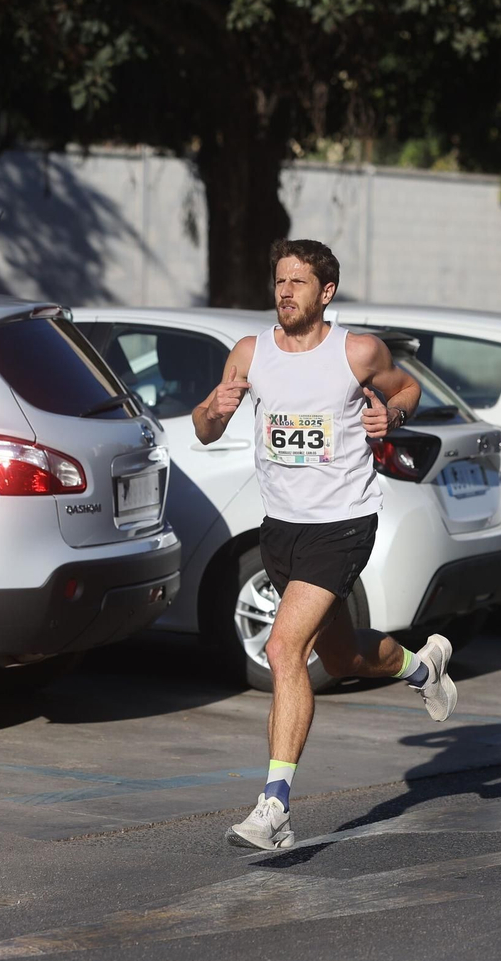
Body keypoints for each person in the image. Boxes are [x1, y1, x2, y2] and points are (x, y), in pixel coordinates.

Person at [192, 238, 458, 851]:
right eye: (278, 280)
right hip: (281, 527)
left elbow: (408, 391)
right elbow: (206, 431)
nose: (284, 292)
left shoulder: (357, 351)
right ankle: (424, 668)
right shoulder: (250, 352)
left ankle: (274, 808)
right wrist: (216, 406)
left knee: (284, 650)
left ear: (326, 293)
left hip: (342, 524)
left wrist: (387, 418)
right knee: (339, 658)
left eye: (298, 283)